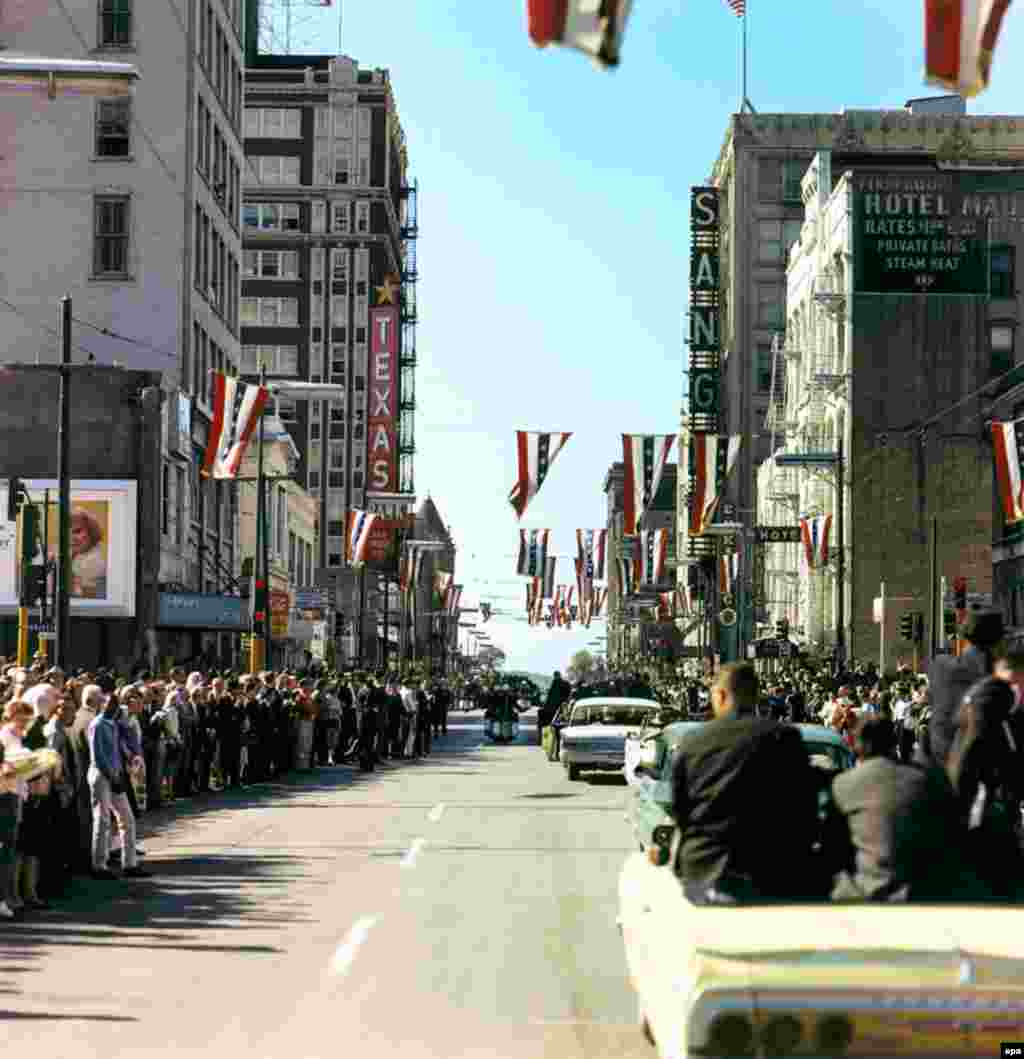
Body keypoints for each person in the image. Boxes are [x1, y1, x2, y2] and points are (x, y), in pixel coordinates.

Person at [670, 663, 821, 904]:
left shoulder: (693, 741)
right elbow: (805, 810)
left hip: (703, 872)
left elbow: (681, 811)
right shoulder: (784, 737)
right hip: (771, 873)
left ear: (720, 695)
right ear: (756, 696)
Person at [822, 715, 983, 902]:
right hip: (926, 889)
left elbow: (832, 847)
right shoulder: (925, 780)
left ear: (857, 746)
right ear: (893, 743)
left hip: (867, 889)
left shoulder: (844, 784)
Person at [86, 683, 149, 880]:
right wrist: (113, 776)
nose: (114, 707)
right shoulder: (97, 725)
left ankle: (129, 863)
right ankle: (99, 865)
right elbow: (98, 757)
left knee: (127, 819)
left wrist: (126, 767)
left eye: (115, 704)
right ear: (103, 705)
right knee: (102, 820)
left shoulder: (114, 724)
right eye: (110, 704)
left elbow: (125, 745)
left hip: (115, 776)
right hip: (101, 776)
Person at [928, 609, 1004, 770]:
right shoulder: (996, 677)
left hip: (939, 763)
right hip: (977, 770)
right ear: (998, 642)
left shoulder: (940, 667)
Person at [538, 671, 570, 746]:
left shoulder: (554, 683)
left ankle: (545, 740)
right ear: (560, 675)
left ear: (555, 676)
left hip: (551, 710)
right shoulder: (565, 683)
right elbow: (568, 696)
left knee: (547, 725)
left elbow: (549, 698)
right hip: (561, 709)